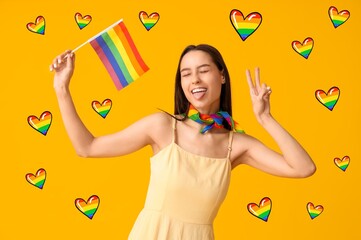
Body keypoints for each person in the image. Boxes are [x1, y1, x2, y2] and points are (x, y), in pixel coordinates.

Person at [50, 44, 316, 239]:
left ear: (221, 76)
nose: (195, 80)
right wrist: (62, 89)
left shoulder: (237, 145)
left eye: (203, 70)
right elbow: (87, 147)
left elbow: (303, 168)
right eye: (186, 73)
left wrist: (265, 118)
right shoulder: (162, 127)